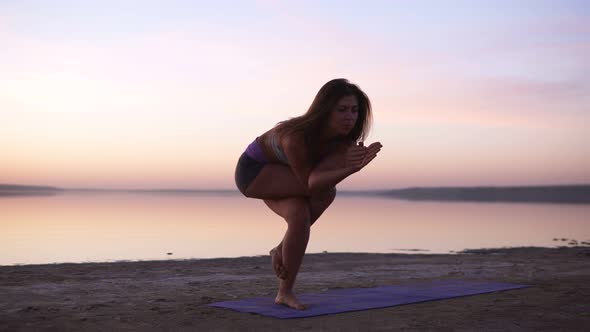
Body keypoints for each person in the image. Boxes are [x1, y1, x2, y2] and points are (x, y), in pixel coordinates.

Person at [234, 78, 383, 310]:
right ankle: (283, 264)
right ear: (325, 110)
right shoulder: (296, 137)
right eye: (342, 110)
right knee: (325, 192)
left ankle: (283, 288)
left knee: (299, 215)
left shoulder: (343, 141)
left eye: (354, 110)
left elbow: (317, 179)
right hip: (254, 172)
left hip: (285, 174)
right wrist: (350, 168)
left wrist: (345, 163)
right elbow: (312, 185)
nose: (349, 117)